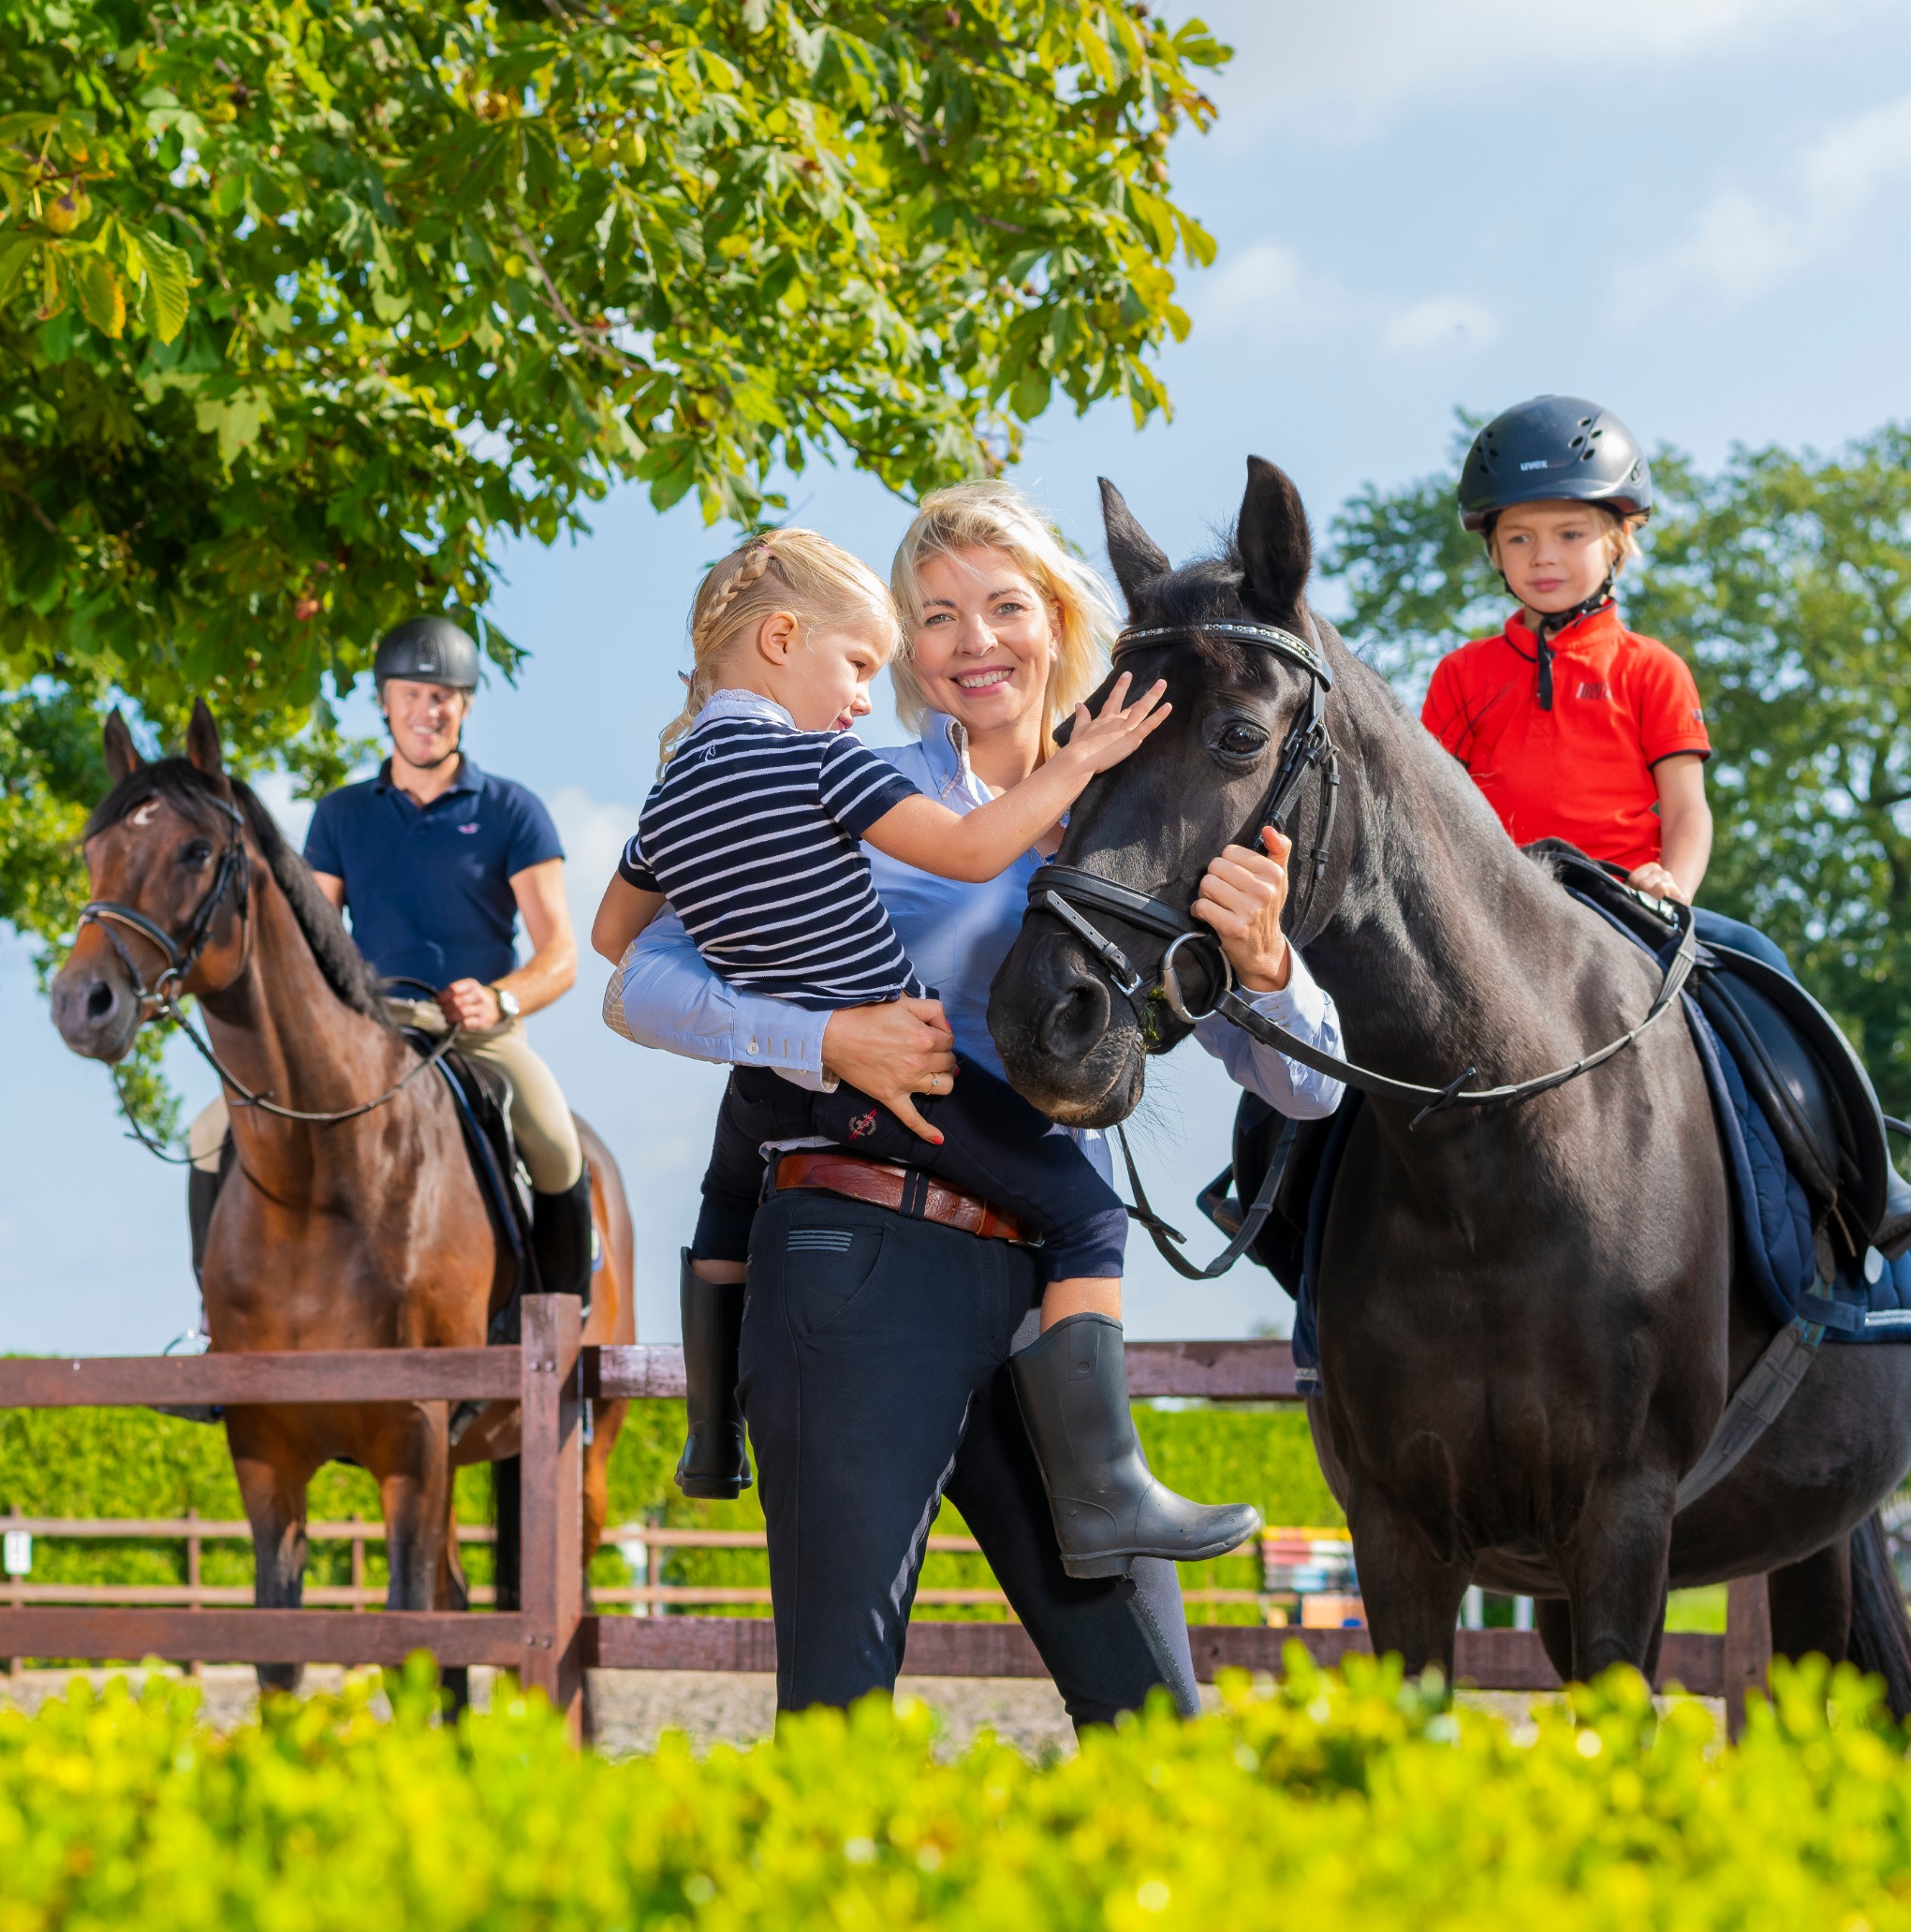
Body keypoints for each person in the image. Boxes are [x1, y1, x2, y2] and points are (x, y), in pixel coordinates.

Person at [610, 482, 1347, 1724]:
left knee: (1158, 1723)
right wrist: (821, 1034)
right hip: (857, 1263)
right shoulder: (841, 774)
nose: (974, 639)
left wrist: (1272, 970)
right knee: (840, 1727)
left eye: (1004, 605)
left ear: (1057, 619)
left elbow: (1308, 1085)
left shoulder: (1150, 816)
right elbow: (639, 972)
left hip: (1049, 1313)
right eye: (937, 614)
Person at [184, 615, 596, 1300]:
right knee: (207, 1131)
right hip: (365, 1033)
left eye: (443, 696)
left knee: (554, 1138)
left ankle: (560, 1329)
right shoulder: (341, 814)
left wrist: (501, 998)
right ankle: (214, 1318)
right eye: (411, 694)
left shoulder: (512, 811)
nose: (426, 711)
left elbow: (560, 953)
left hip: (476, 1034)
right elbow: (311, 941)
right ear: (384, 701)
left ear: (464, 704)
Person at [1424, 394, 1788, 971]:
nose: (1543, 557)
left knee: (1761, 961)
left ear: (1617, 542)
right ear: (1494, 549)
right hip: (1496, 903)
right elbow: (1434, 808)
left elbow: (1687, 810)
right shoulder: (1461, 674)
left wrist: (1673, 887)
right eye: (1519, 538)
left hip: (1624, 900)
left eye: (1570, 535)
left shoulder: (1653, 668)